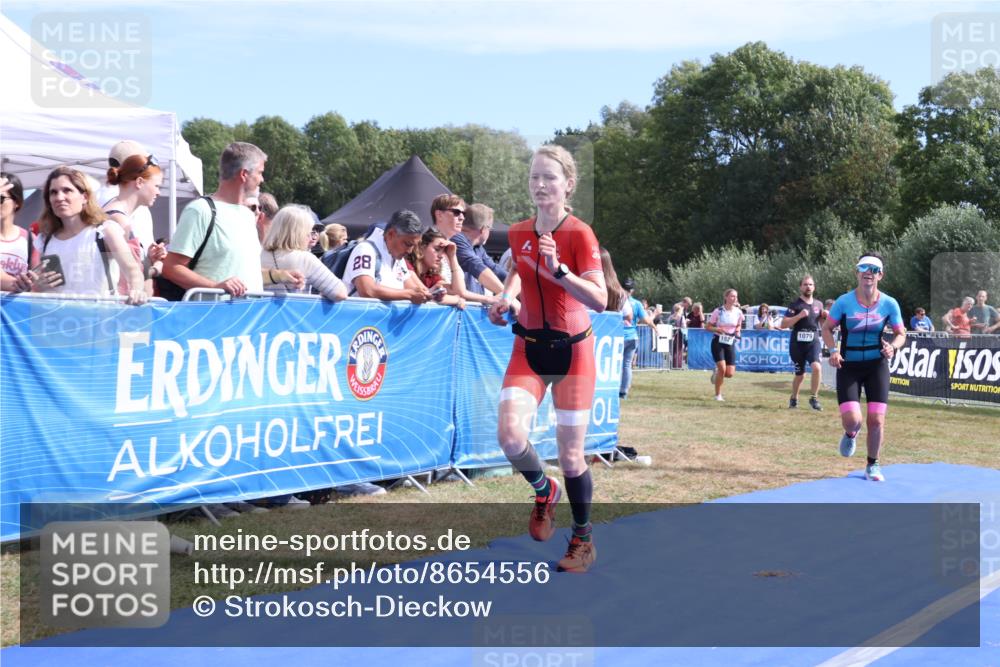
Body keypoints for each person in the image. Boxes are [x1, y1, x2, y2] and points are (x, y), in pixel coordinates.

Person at [488, 145, 607, 573]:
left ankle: (583, 539)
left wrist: (561, 272)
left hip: (574, 352)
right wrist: (504, 300)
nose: (540, 185)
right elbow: (518, 270)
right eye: (535, 177)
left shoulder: (580, 234)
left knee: (572, 455)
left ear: (568, 185)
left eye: (550, 178)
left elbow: (600, 298)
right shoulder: (519, 232)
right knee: (509, 437)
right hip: (529, 348)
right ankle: (544, 490)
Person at [161, 142, 299, 297]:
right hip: (214, 317)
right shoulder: (200, 210)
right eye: (260, 172)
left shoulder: (248, 214)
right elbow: (171, 268)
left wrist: (279, 276)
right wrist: (215, 286)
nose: (262, 179)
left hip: (250, 317)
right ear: (244, 174)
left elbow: (243, 272)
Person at [821, 253, 905, 482]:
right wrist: (834, 350)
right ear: (857, 272)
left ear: (881, 275)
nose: (868, 272)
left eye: (874, 268)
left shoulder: (889, 303)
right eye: (863, 267)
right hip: (849, 366)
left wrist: (893, 348)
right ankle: (850, 433)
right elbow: (827, 328)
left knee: (877, 420)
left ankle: (872, 465)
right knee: (854, 420)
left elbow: (901, 334)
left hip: (876, 365)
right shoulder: (844, 301)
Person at [16, 167, 147, 304]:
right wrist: (38, 285)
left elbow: (132, 269)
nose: (59, 197)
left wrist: (137, 290)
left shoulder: (105, 230)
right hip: (61, 321)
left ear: (84, 197)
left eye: (67, 190)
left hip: (100, 320)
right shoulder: (46, 240)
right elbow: (51, 288)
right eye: (53, 192)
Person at [103, 153, 168, 294]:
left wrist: (149, 258)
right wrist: (156, 268)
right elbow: (129, 278)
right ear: (139, 182)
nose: (158, 192)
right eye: (157, 186)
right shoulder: (119, 221)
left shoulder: (113, 212)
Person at [341, 208, 432, 304]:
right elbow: (367, 291)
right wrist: (409, 295)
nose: (410, 251)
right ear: (390, 234)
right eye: (408, 244)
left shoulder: (397, 256)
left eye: (414, 245)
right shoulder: (365, 250)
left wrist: (429, 294)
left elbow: (412, 289)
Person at [260, 205, 348, 301]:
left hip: (258, 314)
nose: (310, 237)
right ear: (299, 233)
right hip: (296, 314)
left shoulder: (257, 255)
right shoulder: (305, 258)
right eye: (309, 232)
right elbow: (340, 293)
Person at [97, 140, 155, 251]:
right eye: (146, 164)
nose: (149, 169)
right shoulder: (129, 198)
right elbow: (133, 258)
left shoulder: (96, 195)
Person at [782, 274, 825, 410]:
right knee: (800, 375)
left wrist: (827, 319)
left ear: (814, 287)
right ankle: (794, 398)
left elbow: (823, 324)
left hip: (813, 341)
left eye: (810, 284)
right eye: (805, 284)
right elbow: (784, 324)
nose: (808, 287)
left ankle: (814, 398)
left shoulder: (819, 304)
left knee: (817, 367)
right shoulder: (795, 305)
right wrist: (799, 316)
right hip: (797, 344)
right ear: (801, 287)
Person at [452, 202, 507, 303]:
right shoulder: (456, 239)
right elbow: (476, 266)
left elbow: (497, 271)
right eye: (490, 228)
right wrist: (508, 298)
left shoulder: (478, 248)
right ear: (483, 229)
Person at [405, 227, 466, 308]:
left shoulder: (431, 276)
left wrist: (452, 256)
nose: (441, 256)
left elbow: (458, 291)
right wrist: (457, 299)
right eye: (437, 249)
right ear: (422, 247)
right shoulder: (406, 264)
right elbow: (425, 294)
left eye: (443, 251)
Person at [705, 288, 744, 401]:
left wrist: (738, 331)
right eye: (732, 296)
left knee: (729, 373)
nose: (734, 298)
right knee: (722, 368)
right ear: (726, 297)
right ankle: (718, 395)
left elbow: (739, 325)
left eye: (736, 296)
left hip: (730, 342)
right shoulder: (718, 311)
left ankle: (716, 373)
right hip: (718, 341)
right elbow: (707, 327)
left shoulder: (738, 312)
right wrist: (717, 329)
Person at [0, 172, 37, 291]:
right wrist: (17, 284)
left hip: (15, 308)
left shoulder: (29, 239)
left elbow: (37, 281)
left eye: (1, 198)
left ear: (17, 202)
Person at [620, 278, 655, 400]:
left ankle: (613, 388)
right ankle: (624, 392)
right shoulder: (637, 304)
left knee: (615, 364)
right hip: (632, 337)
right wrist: (655, 326)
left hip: (619, 336)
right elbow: (647, 320)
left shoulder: (615, 301)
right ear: (632, 290)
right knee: (627, 365)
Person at [429, 194, 467, 285]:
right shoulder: (427, 245)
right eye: (456, 212)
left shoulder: (450, 247)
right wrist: (490, 299)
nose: (462, 218)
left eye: (463, 213)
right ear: (439, 215)